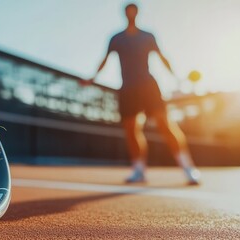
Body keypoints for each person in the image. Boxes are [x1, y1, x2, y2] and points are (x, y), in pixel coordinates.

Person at [83, 3, 200, 185]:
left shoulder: (147, 36)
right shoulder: (116, 38)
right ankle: (139, 170)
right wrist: (92, 78)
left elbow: (162, 57)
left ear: (137, 13)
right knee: (131, 129)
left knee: (165, 124)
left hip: (148, 86)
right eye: (128, 11)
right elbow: (104, 60)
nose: (131, 14)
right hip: (128, 88)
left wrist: (175, 77)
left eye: (133, 11)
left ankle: (188, 168)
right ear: (125, 14)